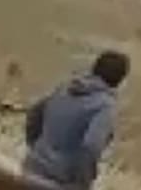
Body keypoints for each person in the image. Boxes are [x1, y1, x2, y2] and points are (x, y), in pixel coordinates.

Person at [23, 50, 130, 189]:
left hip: (31, 168)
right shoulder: (105, 106)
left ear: (94, 68)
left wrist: (35, 149)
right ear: (120, 80)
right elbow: (91, 146)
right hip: (59, 181)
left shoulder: (65, 87)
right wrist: (82, 183)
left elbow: (34, 114)